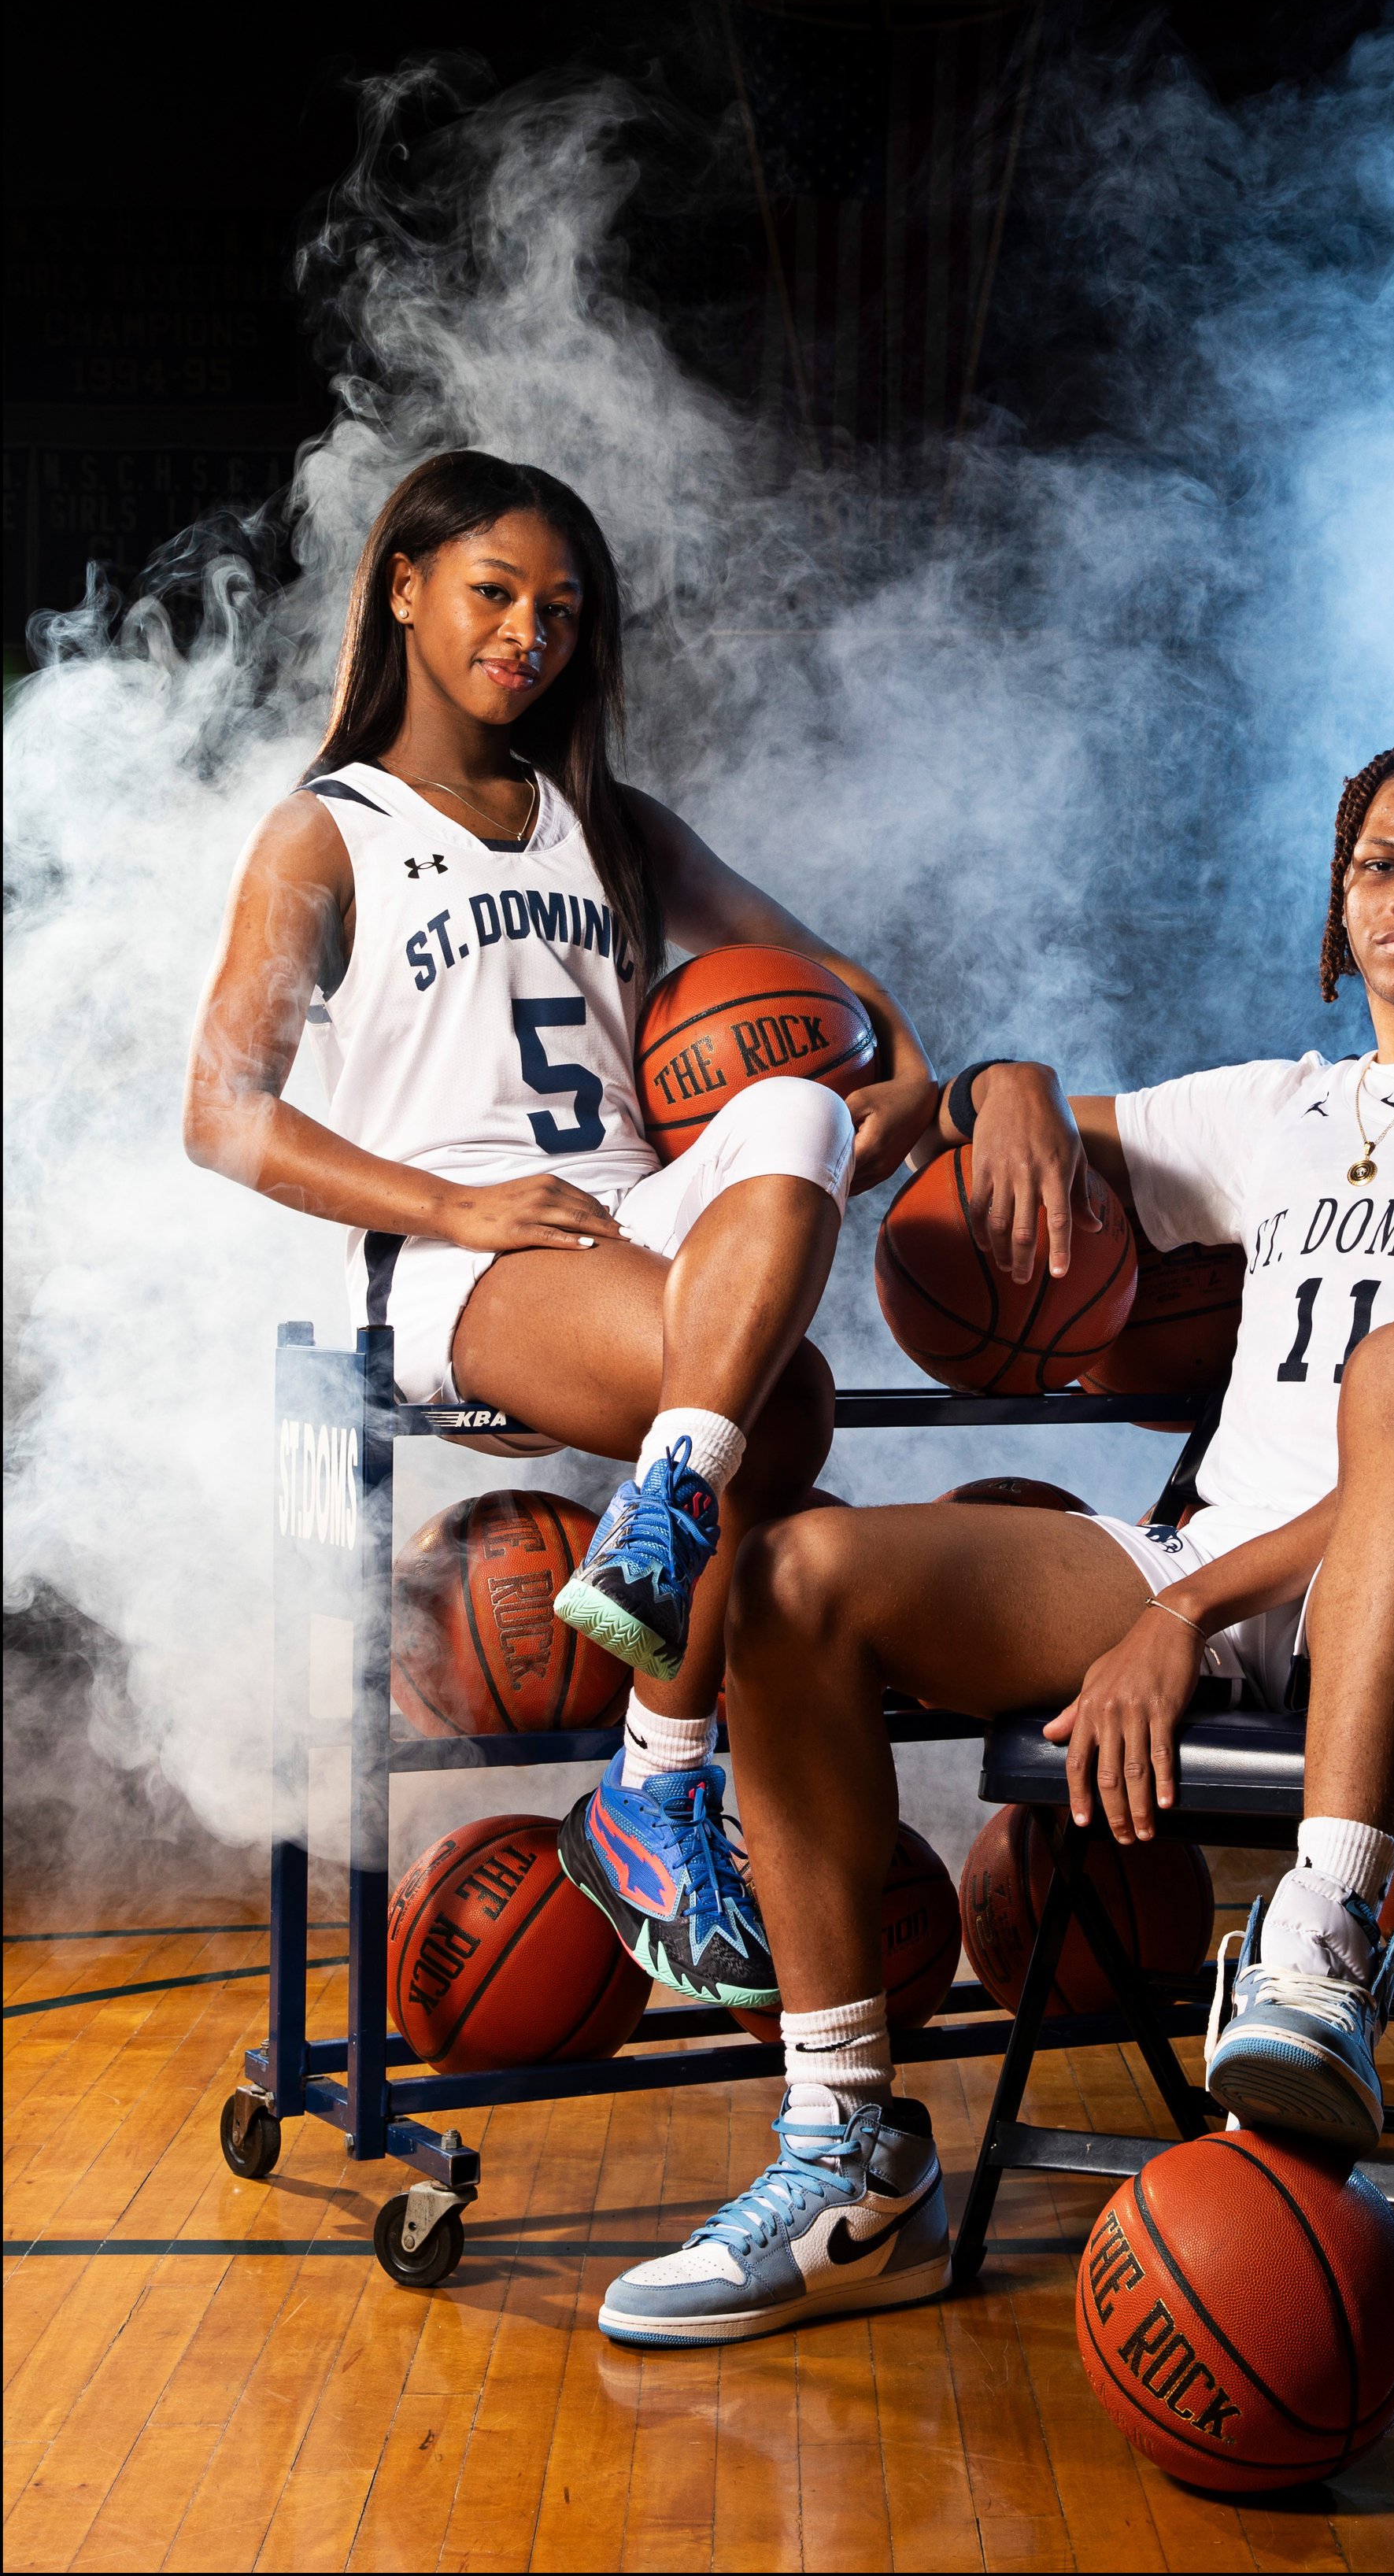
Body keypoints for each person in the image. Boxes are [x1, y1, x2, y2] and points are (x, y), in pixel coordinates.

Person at [590, 736, 1394, 2349]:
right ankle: (846, 2153)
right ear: (1338, 911)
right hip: (1222, 1569)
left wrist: (1179, 1617)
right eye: (1380, 863)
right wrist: (1020, 1097)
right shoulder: (1274, 1109)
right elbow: (991, 1098)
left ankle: (1320, 1935)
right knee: (789, 1585)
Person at [183, 449, 937, 2012]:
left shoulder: (608, 820)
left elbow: (828, 988)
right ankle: (656, 1778)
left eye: (562, 609)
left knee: (793, 1113)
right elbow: (223, 1110)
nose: (528, 634)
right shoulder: (325, 833)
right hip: (454, 1254)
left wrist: (909, 1071)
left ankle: (650, 1726)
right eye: (493, 593)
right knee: (773, 1406)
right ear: (404, 589)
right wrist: (450, 1201)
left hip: (623, 1227)